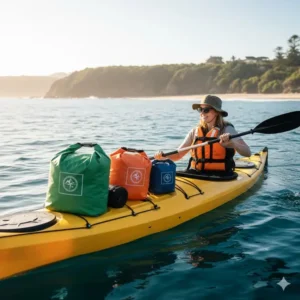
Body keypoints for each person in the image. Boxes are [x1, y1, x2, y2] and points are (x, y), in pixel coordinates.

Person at [154, 95, 251, 173]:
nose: (202, 113)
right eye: (200, 110)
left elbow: (247, 152)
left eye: (206, 110)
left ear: (216, 112)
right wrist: (164, 157)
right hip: (196, 173)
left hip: (221, 176)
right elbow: (179, 154)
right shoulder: (194, 131)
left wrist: (232, 144)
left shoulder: (227, 129)